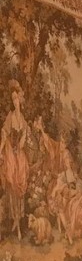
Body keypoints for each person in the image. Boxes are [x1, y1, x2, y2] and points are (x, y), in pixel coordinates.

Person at [0, 81, 30, 240]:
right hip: (11, 155)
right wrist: (0, 151)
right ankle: (16, 225)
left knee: (20, 190)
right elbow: (4, 134)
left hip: (20, 156)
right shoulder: (10, 117)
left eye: (16, 98)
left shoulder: (23, 119)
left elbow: (24, 135)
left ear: (20, 99)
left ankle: (18, 222)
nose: (15, 101)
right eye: (13, 99)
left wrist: (22, 141)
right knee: (12, 189)